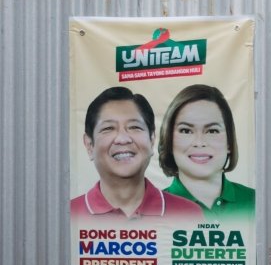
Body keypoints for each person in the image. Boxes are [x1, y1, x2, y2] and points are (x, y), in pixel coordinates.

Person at [71, 86, 202, 219]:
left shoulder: (188, 214)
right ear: (89, 145)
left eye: (134, 127)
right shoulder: (67, 215)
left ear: (152, 140)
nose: (123, 139)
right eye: (108, 128)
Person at [158, 84, 255, 219]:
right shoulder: (151, 209)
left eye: (212, 131)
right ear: (169, 140)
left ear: (229, 142)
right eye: (186, 130)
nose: (199, 142)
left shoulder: (258, 203)